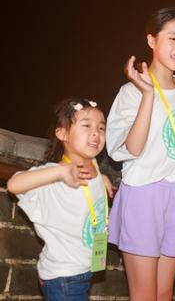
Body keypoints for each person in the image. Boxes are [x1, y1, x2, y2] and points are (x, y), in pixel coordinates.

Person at [106, 7, 175, 300]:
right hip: (144, 191)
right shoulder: (131, 91)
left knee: (165, 293)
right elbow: (131, 148)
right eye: (172, 39)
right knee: (144, 294)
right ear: (151, 40)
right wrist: (147, 95)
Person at [7, 98, 114, 300]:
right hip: (63, 277)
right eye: (86, 125)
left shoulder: (95, 170)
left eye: (101, 128)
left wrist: (103, 179)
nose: (96, 133)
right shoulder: (54, 174)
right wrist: (59, 174)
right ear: (62, 133)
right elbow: (14, 184)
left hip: (82, 271)